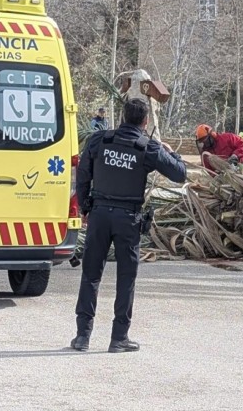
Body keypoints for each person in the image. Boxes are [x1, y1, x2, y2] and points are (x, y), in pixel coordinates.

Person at [71, 99, 186, 353]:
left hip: (99, 215)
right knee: (126, 278)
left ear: (123, 116)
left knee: (91, 275)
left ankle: (82, 337)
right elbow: (180, 174)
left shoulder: (100, 140)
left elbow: (83, 175)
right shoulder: (148, 147)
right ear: (145, 122)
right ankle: (118, 338)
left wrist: (85, 207)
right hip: (128, 219)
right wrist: (170, 152)